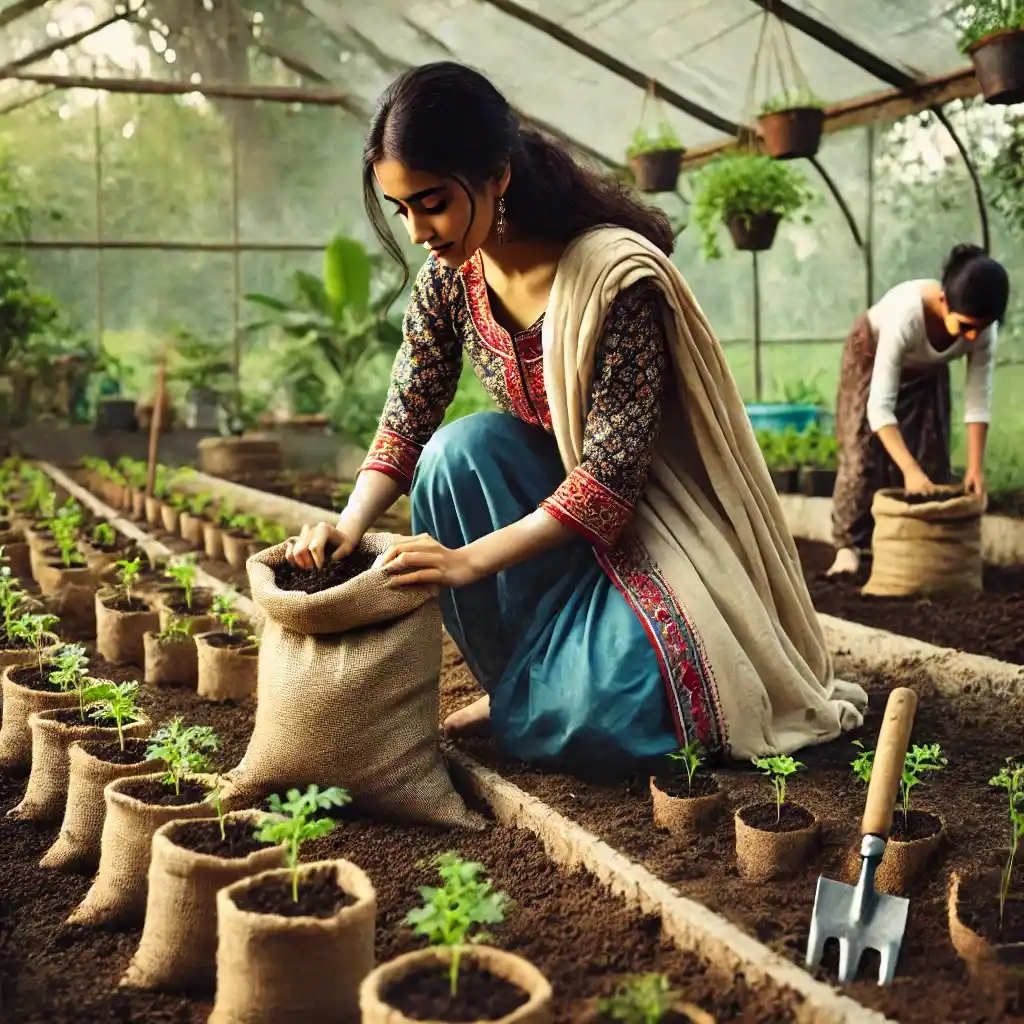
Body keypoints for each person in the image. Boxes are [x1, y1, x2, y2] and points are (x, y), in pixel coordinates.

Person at [287, 62, 866, 771]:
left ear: (497, 175)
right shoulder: (452, 276)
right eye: (400, 210)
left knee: (606, 714)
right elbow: (409, 412)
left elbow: (609, 484)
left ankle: (539, 700)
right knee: (453, 456)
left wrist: (466, 561)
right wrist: (347, 528)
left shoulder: (612, 279)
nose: (416, 232)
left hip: (656, 527)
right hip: (551, 522)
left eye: (431, 203)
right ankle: (525, 686)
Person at [828, 245, 1009, 576]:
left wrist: (975, 468)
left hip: (928, 369)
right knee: (861, 454)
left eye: (981, 328)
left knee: (932, 450)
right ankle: (848, 547)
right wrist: (909, 470)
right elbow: (879, 408)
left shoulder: (983, 328)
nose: (973, 336)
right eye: (966, 327)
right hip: (870, 355)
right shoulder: (907, 315)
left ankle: (924, 548)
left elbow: (978, 399)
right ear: (943, 302)